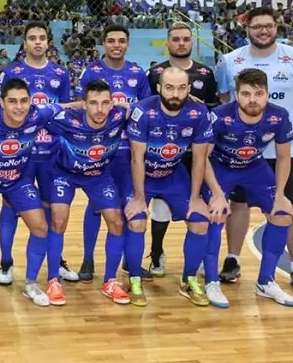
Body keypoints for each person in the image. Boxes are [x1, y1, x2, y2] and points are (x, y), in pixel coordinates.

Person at [215, 6, 293, 294]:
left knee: (291, 206)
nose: (263, 31)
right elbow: (226, 97)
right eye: (256, 26)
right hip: (241, 151)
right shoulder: (230, 61)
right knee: (238, 205)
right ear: (247, 29)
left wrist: (281, 118)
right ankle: (233, 258)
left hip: (287, 151)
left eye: (268, 25)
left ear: (277, 27)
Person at [202, 68, 293, 308]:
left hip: (254, 167)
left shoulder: (279, 116)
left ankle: (266, 281)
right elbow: (202, 158)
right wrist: (216, 194)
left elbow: (284, 157)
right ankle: (211, 280)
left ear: (268, 94)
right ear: (236, 94)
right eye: (246, 94)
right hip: (220, 167)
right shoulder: (219, 116)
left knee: (282, 214)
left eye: (258, 93)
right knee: (215, 214)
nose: (252, 100)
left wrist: (281, 195)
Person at [0, 79, 60, 310]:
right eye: (12, 101)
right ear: (2, 102)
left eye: (24, 101)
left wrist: (91, 104)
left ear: (31, 102)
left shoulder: (38, 114)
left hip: (17, 180)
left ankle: (31, 284)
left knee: (40, 227)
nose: (19, 107)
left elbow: (68, 105)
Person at [126, 67, 214, 307]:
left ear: (189, 89)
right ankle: (134, 278)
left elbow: (199, 158)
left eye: (181, 88)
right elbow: (136, 158)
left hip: (173, 175)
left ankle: (188, 280)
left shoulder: (198, 112)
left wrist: (195, 197)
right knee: (137, 219)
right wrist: (139, 198)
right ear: (158, 88)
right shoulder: (143, 111)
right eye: (169, 87)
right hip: (142, 175)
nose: (175, 94)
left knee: (199, 220)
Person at [0, 21, 72, 286]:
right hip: (20, 152)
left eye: (42, 37)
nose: (37, 42)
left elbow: (64, 110)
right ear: (24, 42)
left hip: (51, 153)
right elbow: (0, 110)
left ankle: (55, 260)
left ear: (48, 42)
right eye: (32, 38)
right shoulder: (11, 71)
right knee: (10, 205)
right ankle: (5, 262)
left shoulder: (60, 73)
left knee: (51, 209)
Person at [75, 25, 151, 283]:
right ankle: (87, 258)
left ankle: (130, 259)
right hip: (100, 150)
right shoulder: (91, 72)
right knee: (96, 206)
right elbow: (80, 106)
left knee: (130, 205)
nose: (116, 45)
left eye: (121, 41)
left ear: (127, 44)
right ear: (103, 43)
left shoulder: (137, 73)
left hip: (129, 151)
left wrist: (129, 107)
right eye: (111, 41)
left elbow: (147, 107)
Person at [46, 80, 133, 305]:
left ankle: (110, 281)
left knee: (116, 221)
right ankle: (53, 279)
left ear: (112, 103)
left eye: (105, 103)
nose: (99, 109)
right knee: (58, 220)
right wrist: (70, 105)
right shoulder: (66, 119)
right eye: (93, 103)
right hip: (64, 174)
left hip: (98, 175)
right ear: (83, 104)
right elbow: (36, 112)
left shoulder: (120, 115)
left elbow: (154, 108)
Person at [146, 22, 220, 277]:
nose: (180, 43)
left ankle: (202, 258)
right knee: (161, 205)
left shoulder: (205, 73)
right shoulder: (155, 73)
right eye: (175, 39)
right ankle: (156, 253)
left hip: (197, 152)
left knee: (202, 204)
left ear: (192, 42)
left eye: (185, 39)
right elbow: (148, 107)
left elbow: (212, 109)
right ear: (168, 43)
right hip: (163, 152)